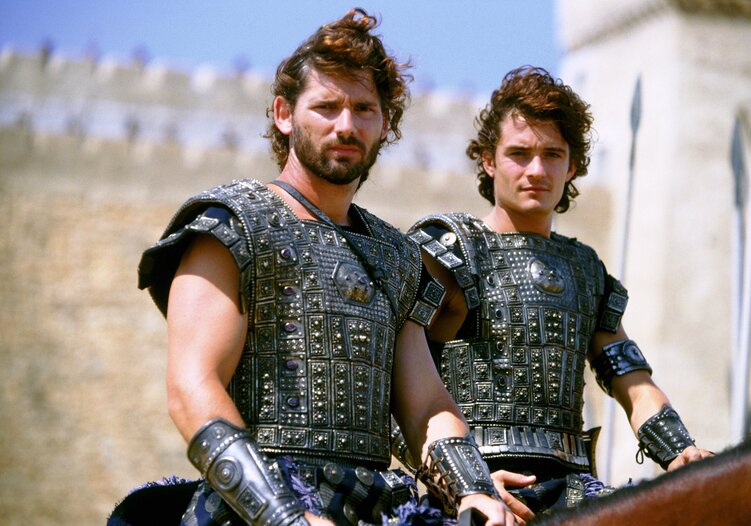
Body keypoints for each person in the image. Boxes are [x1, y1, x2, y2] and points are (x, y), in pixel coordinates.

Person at [111, 9, 514, 526]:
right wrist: (285, 515)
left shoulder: (397, 256)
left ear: (384, 125)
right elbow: (193, 388)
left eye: (364, 109)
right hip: (254, 508)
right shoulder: (232, 225)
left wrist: (473, 488)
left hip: (375, 509)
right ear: (284, 114)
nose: (346, 125)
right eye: (326, 107)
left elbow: (425, 406)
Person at [393, 66, 714, 522]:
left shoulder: (585, 270)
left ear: (573, 165)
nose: (537, 170)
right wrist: (462, 482)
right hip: (478, 492)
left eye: (552, 154)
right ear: (488, 160)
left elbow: (633, 382)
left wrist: (681, 450)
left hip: (574, 492)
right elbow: (392, 383)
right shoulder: (449, 249)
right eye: (519, 154)